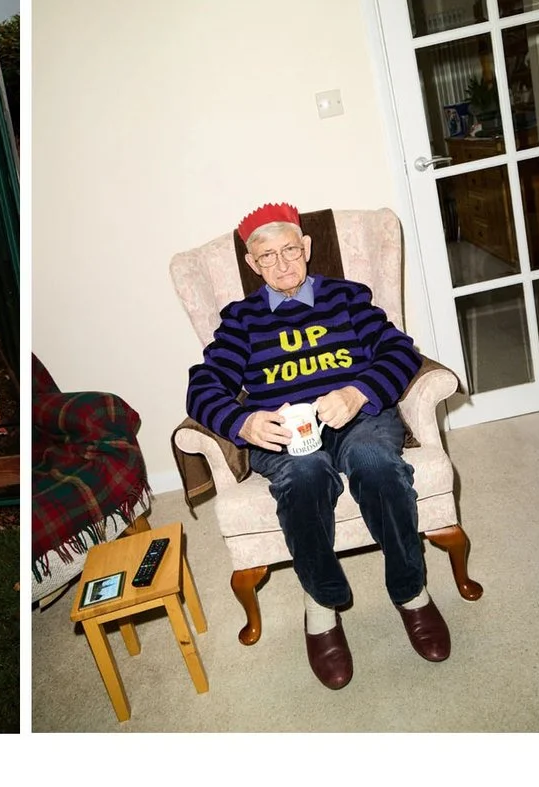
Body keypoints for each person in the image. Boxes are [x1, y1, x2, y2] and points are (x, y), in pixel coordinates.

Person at [186, 202, 447, 690]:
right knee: (305, 477)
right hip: (285, 431)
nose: (283, 264)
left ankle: (411, 591)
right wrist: (243, 423)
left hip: (356, 418)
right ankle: (320, 603)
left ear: (306, 248)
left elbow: (398, 350)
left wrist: (358, 393)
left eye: (290, 250)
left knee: (376, 463)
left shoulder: (347, 298)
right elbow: (203, 386)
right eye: (268, 257)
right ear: (252, 264)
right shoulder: (240, 320)